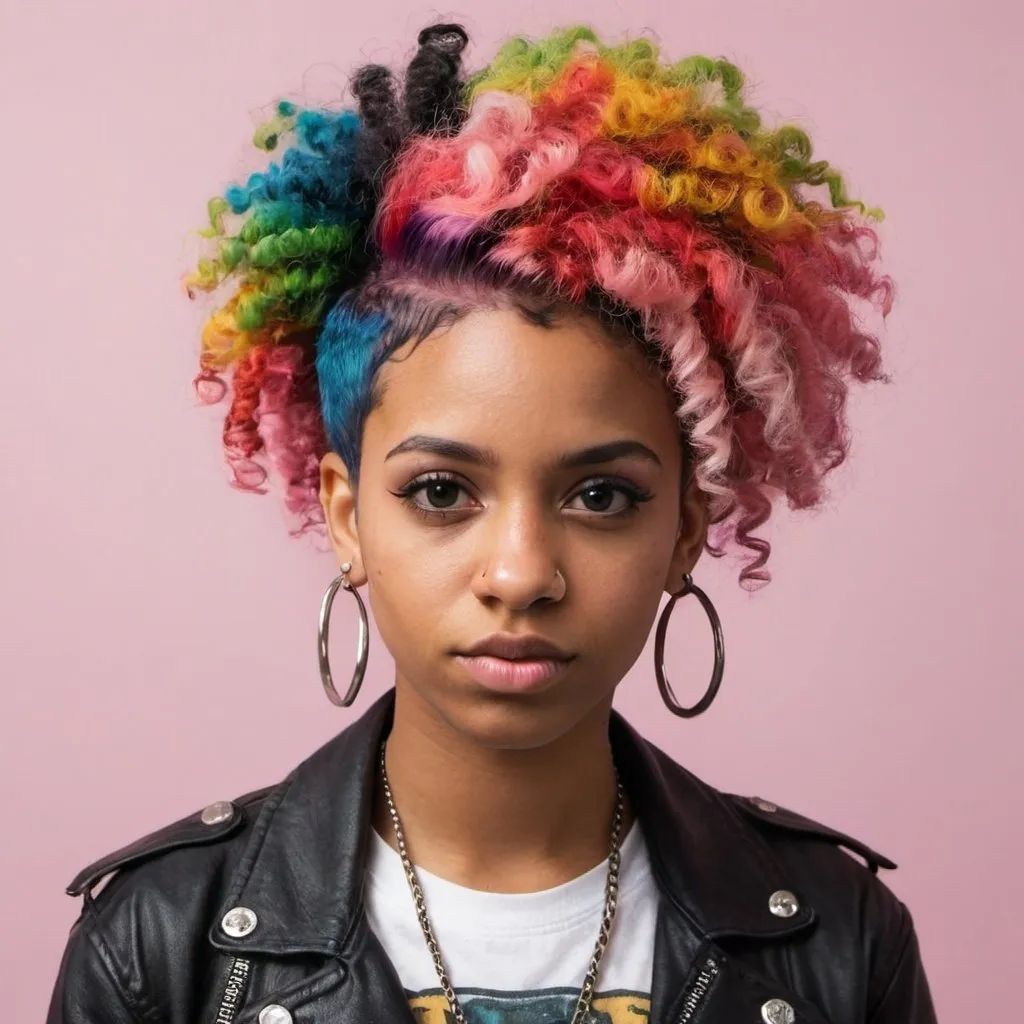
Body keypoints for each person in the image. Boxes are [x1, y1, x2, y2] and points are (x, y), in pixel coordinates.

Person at [46, 21, 938, 1024]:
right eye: (440, 493)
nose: (519, 573)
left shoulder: (838, 936)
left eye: (600, 496)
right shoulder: (160, 946)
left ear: (685, 530)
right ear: (346, 517)